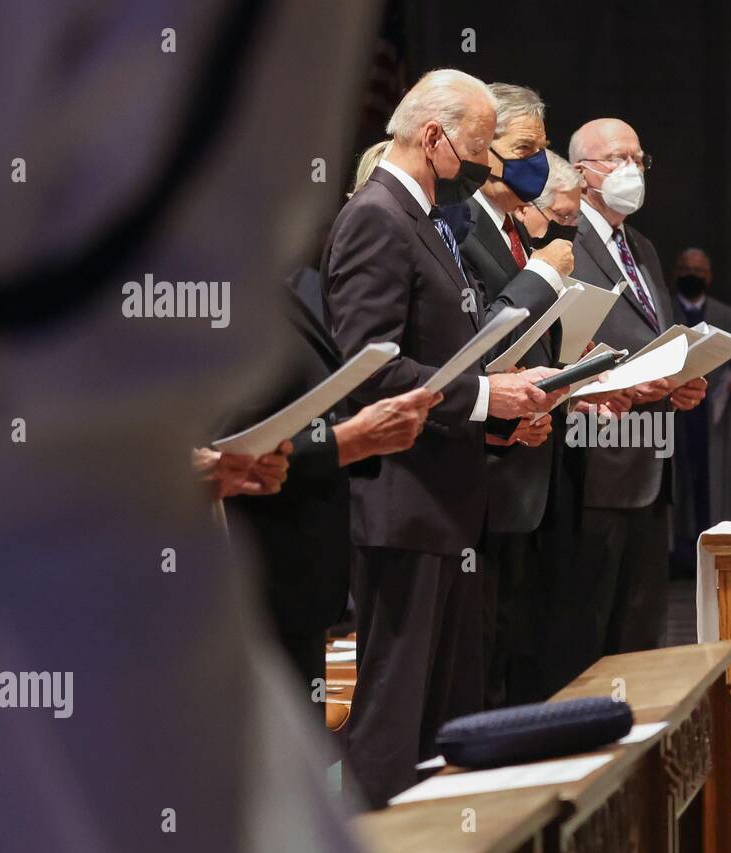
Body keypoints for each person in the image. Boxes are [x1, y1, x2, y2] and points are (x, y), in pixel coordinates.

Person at [320, 68, 566, 807]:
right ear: (432, 137)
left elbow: (442, 351)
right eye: (478, 146)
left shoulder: (419, 215)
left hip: (446, 502)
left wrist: (502, 409)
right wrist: (490, 396)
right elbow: (369, 369)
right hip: (405, 502)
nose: (488, 164)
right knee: (396, 720)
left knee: (444, 718)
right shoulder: (377, 216)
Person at [543, 118, 707, 691]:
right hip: (592, 460)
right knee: (589, 632)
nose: (631, 171)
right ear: (582, 173)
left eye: (639, 158)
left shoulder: (642, 247)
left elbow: (652, 337)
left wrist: (681, 379)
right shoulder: (562, 243)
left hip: (650, 459)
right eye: (616, 159)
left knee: (642, 633)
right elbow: (556, 350)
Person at [224, 284, 439, 707]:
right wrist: (347, 441)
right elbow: (222, 452)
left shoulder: (273, 287)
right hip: (246, 575)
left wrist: (355, 438)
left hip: (300, 570)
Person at [457, 84, 576, 708]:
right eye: (524, 148)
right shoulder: (458, 223)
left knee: (512, 652)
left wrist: (560, 388)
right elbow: (474, 339)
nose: (536, 161)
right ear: (483, 147)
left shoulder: (510, 229)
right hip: (476, 470)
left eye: (543, 148)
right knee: (476, 665)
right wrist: (542, 275)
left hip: (524, 458)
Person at [669, 247, 731, 576]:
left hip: (714, 412)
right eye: (687, 269)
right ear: (677, 273)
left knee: (713, 482)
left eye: (700, 270)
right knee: (679, 482)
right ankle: (680, 555)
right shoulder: (665, 308)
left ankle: (715, 552)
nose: (694, 275)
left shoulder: (725, 313)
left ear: (710, 276)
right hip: (675, 413)